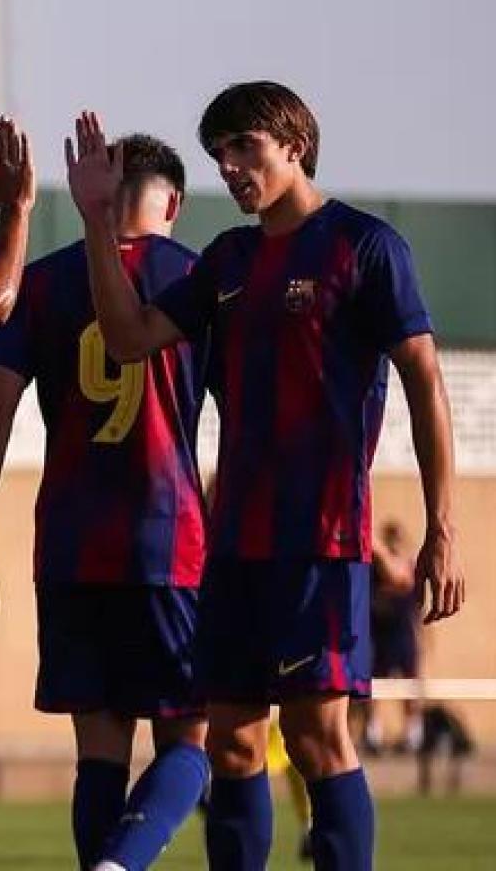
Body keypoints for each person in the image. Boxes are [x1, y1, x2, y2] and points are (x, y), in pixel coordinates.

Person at [64, 84, 463, 871]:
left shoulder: (366, 246)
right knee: (234, 743)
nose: (232, 167)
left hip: (321, 540)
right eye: (221, 154)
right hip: (233, 545)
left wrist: (441, 526)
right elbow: (128, 335)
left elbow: (424, 379)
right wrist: (94, 224)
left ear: (294, 141)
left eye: (245, 146)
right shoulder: (229, 260)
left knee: (318, 738)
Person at [0, 133, 209, 871]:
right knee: (190, 739)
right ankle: (119, 865)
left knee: (99, 749)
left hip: (67, 543)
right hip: (168, 543)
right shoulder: (198, 279)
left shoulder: (42, 283)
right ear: (175, 201)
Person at [361, 520, 422, 754]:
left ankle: (413, 733)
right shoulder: (373, 574)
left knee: (409, 687)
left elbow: (415, 608)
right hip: (379, 639)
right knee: (374, 688)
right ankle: (372, 732)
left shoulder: (410, 569)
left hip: (403, 638)